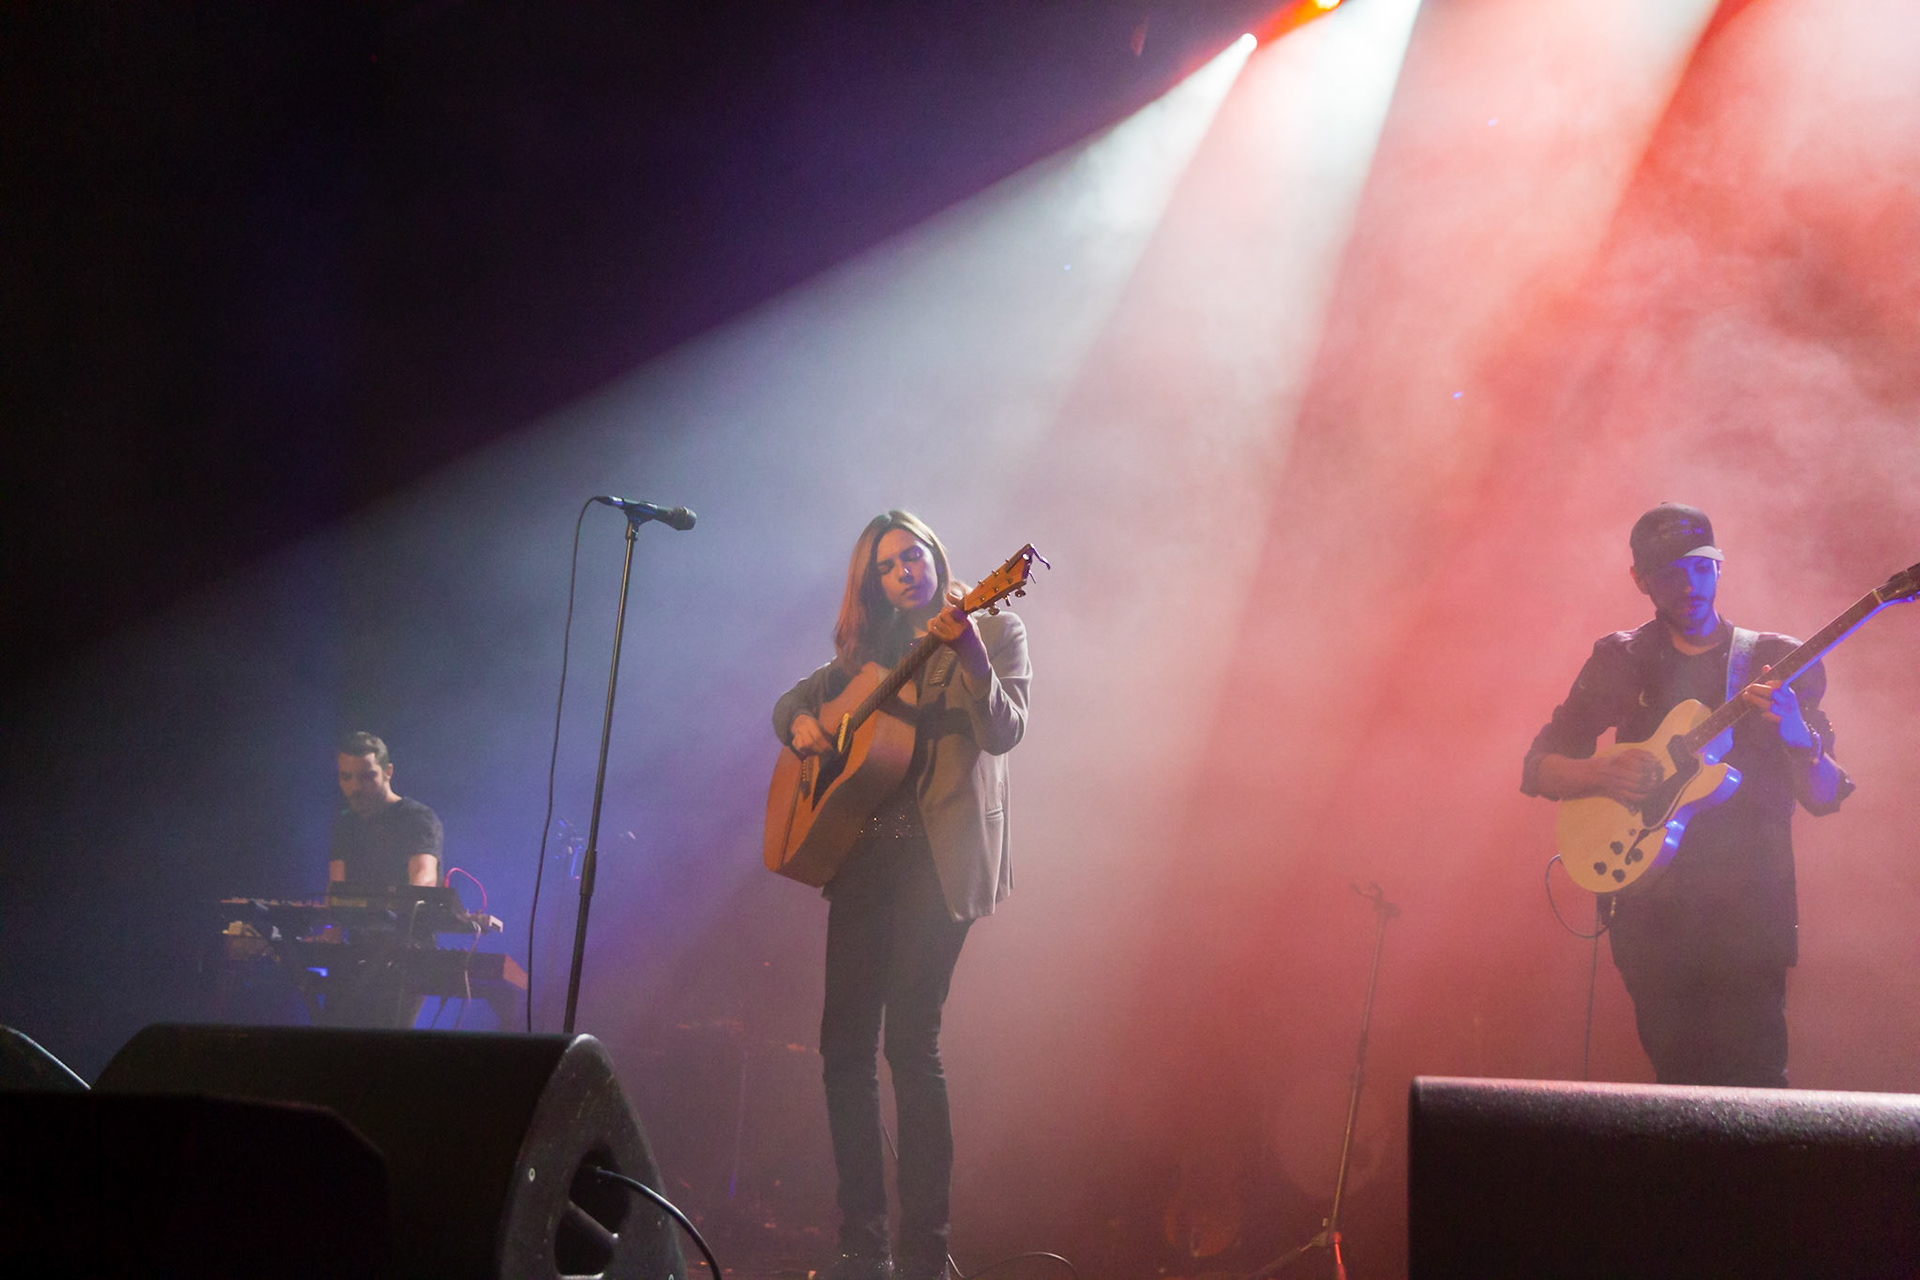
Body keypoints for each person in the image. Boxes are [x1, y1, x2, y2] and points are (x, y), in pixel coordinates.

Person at [773, 511, 1031, 1280]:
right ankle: (863, 1242)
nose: (904, 572)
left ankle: (925, 1248)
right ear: (874, 584)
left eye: (911, 555)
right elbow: (788, 704)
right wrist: (804, 730)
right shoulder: (870, 652)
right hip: (861, 865)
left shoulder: (996, 625)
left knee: (911, 1046)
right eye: (886, 566)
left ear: (933, 555)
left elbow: (1006, 732)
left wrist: (972, 651)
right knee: (843, 1051)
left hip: (936, 864)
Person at [1522, 504, 1852, 1087]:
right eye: (1669, 572)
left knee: (1755, 1088)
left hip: (1752, 912)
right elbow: (1539, 766)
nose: (1688, 585)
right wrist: (1601, 775)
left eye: (1700, 568)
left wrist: (1801, 741)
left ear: (1720, 567)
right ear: (1640, 580)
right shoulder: (1622, 658)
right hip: (1651, 909)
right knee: (1679, 1086)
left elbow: (1825, 796)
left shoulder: (1776, 657)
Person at [329, 730, 442, 890]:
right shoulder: (345, 824)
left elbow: (424, 882)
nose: (355, 787)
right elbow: (336, 891)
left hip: (407, 915)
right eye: (346, 777)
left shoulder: (417, 818)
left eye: (366, 777)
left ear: (388, 772)